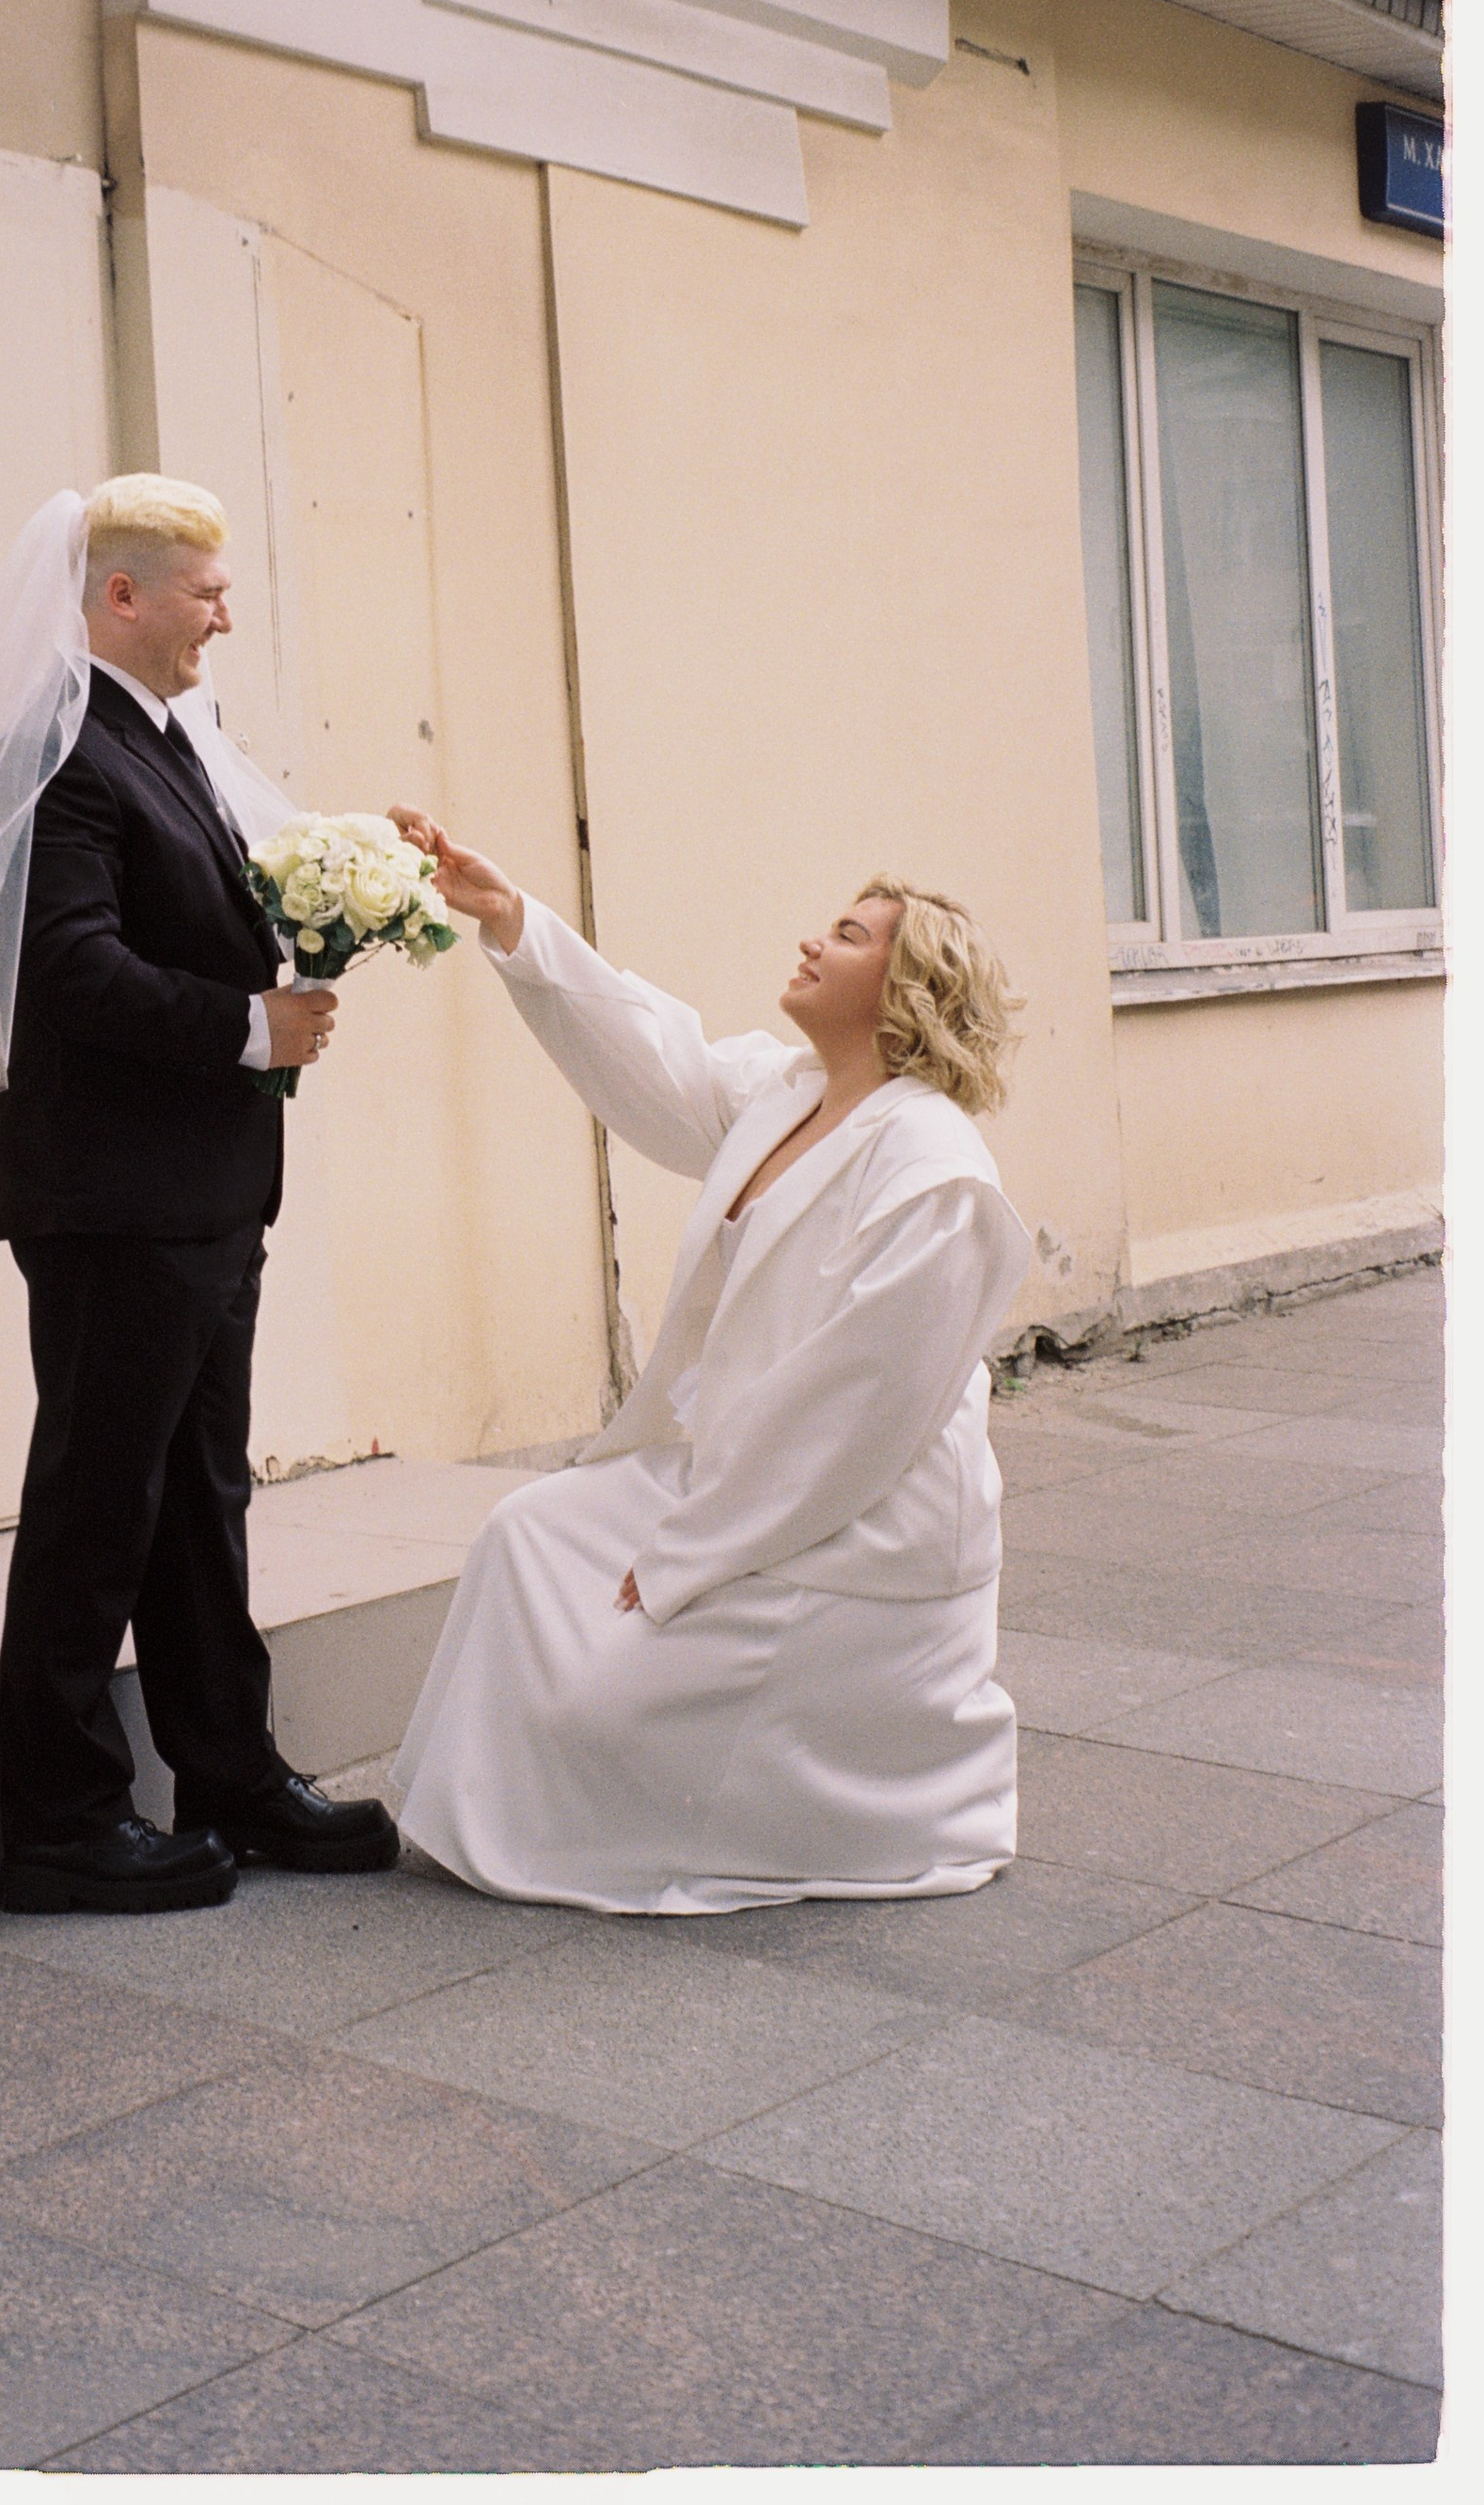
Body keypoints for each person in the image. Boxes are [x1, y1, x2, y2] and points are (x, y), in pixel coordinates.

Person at [0, 473, 399, 1916]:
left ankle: (228, 1772)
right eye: (205, 591)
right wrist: (246, 1026)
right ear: (121, 596)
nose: (224, 614)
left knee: (200, 1501)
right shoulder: (56, 755)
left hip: (207, 1190)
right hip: (113, 1198)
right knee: (99, 1505)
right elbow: (68, 966)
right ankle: (60, 1821)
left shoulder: (175, 740)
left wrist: (346, 910)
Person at [383, 812, 1032, 1917]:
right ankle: (462, 1817)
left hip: (851, 1516)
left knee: (607, 1697)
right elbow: (653, 1054)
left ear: (907, 987)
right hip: (743, 1467)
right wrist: (511, 919)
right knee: (526, 1532)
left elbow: (856, 1414)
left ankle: (849, 1813)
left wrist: (689, 1550)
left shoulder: (936, 1172)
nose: (814, 941)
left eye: (849, 934)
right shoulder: (787, 1093)